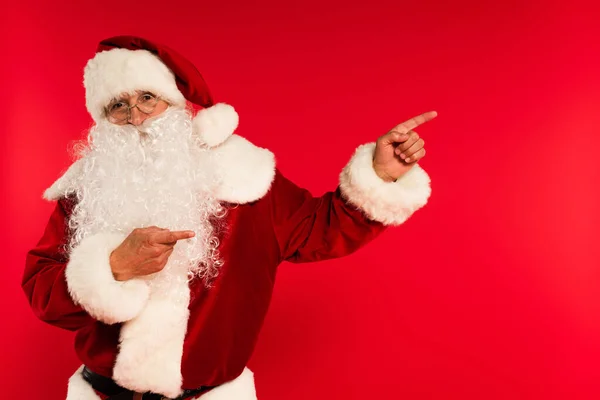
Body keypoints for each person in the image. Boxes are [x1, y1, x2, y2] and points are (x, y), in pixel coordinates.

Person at [22, 35, 435, 400]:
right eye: (118, 105)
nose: (137, 116)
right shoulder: (85, 191)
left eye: (147, 97)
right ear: (103, 119)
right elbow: (41, 290)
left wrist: (381, 174)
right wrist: (111, 269)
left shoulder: (244, 177)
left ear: (176, 103)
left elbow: (321, 229)